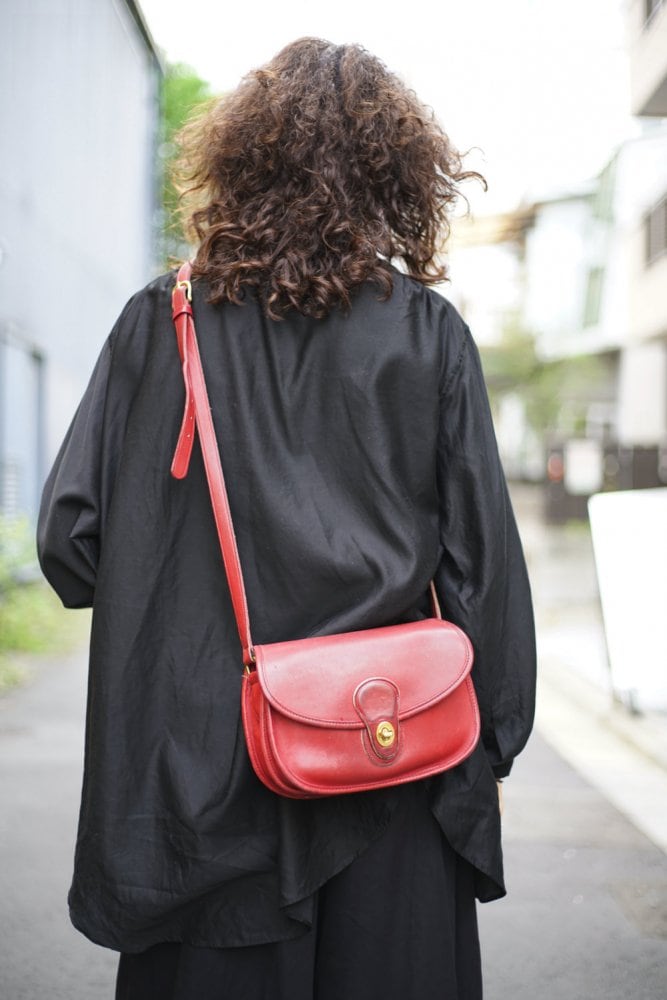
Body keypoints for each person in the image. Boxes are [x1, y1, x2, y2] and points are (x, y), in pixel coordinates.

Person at [37, 37, 536, 1000]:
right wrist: (492, 740)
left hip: (204, 778)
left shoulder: (163, 319)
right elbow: (484, 568)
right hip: (390, 759)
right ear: (395, 174)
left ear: (240, 162)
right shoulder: (427, 334)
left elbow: (72, 545)